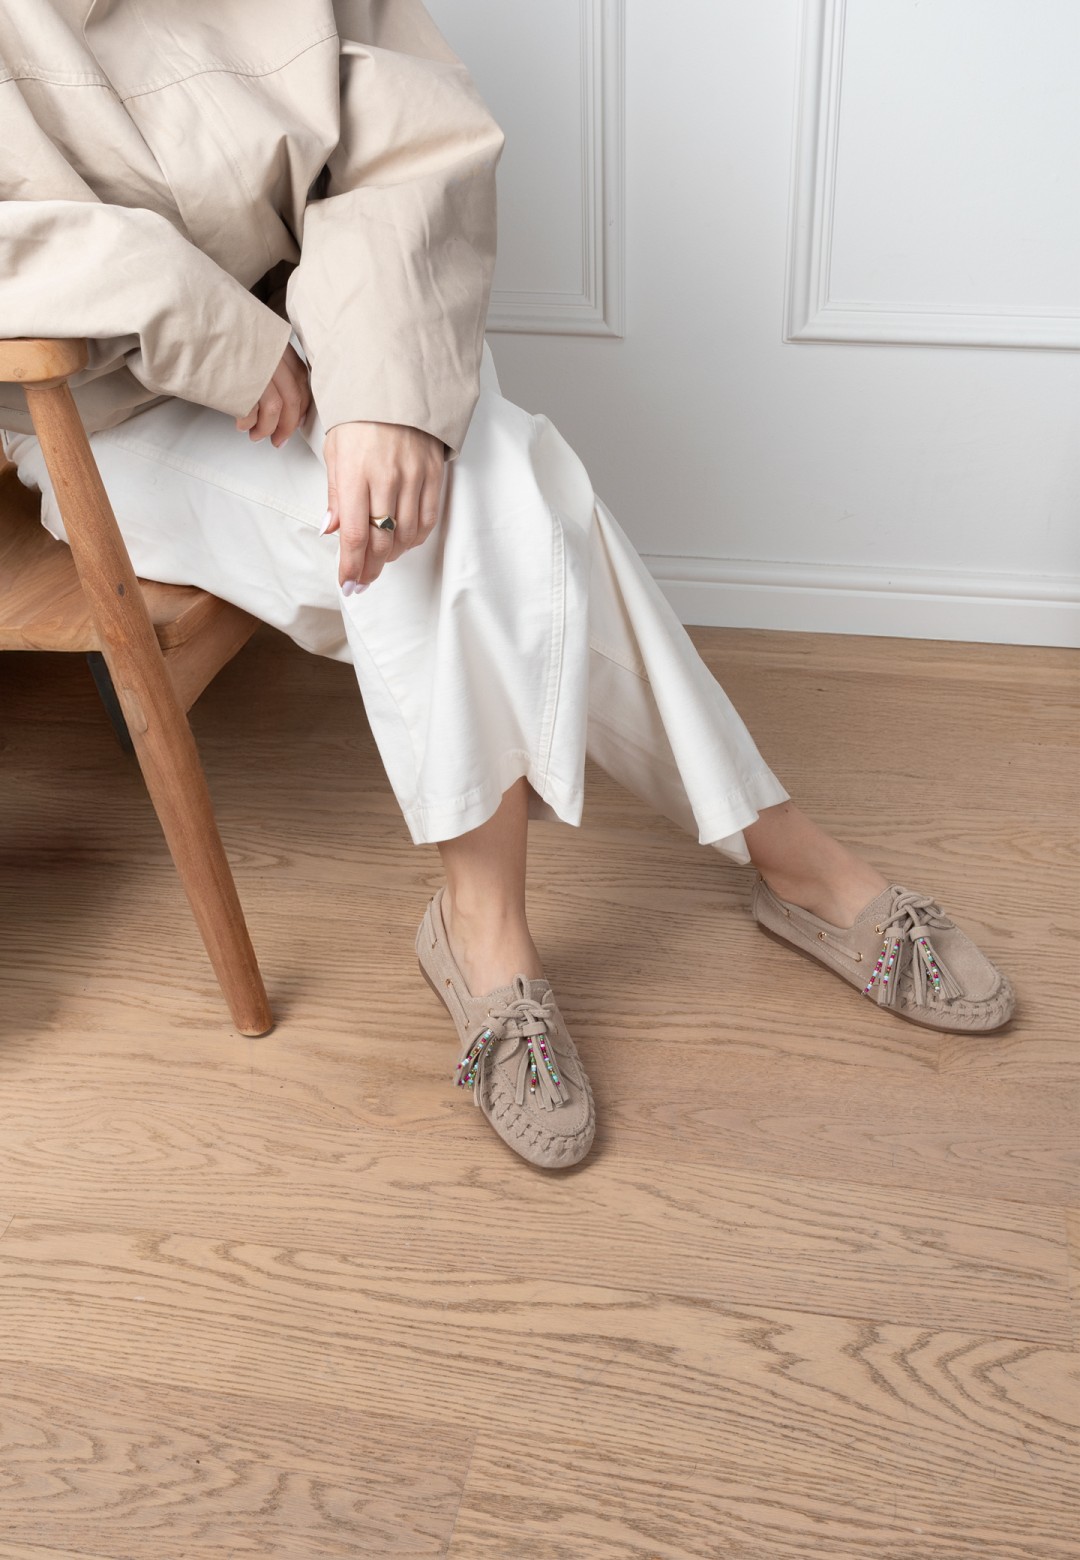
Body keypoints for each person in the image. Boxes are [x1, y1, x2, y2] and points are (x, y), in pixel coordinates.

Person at [0, 0, 1013, 1169]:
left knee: (489, 484)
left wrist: (379, 391)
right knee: (477, 506)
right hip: (98, 410)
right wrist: (217, 334)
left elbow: (402, 136)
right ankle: (781, 855)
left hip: (339, 319)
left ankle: (486, 933)